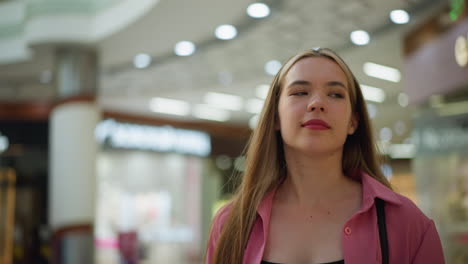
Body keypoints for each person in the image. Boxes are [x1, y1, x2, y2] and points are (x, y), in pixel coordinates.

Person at [205, 48, 445, 264]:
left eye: (335, 95)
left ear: (353, 121)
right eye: (300, 92)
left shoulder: (407, 224)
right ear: (276, 117)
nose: (317, 103)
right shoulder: (232, 224)